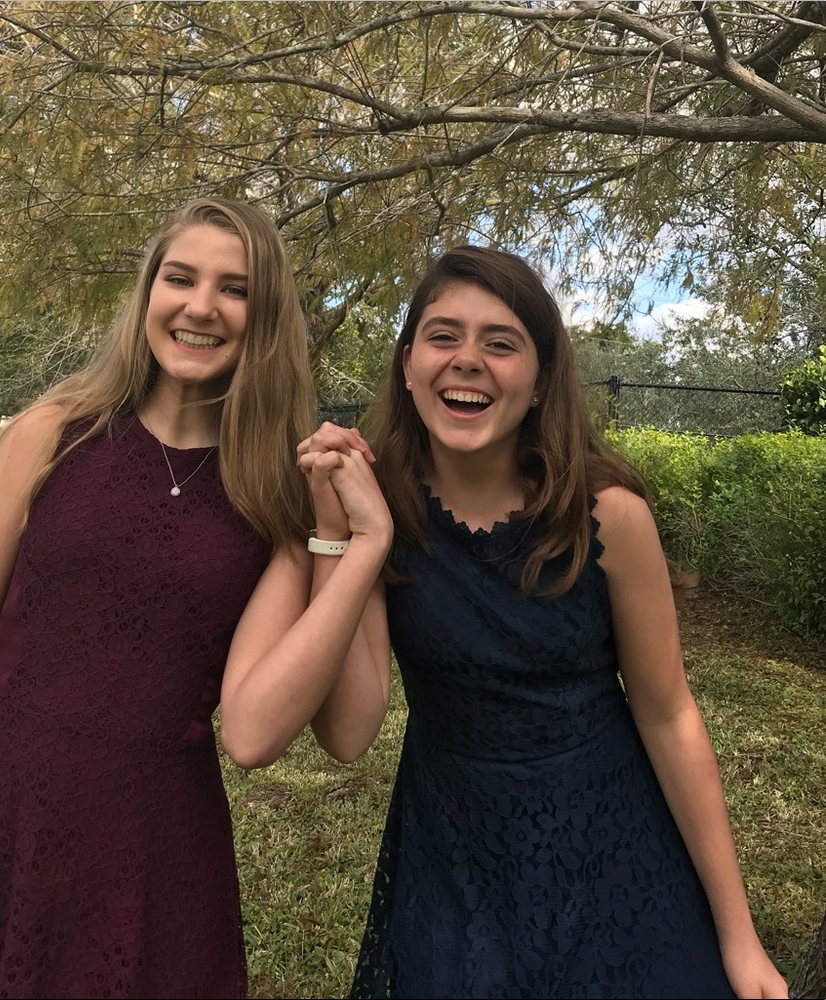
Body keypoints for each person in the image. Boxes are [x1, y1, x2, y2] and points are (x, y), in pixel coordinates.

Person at [0, 197, 392, 1000]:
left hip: (150, 864)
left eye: (233, 289)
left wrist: (352, 543)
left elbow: (268, 732)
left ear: (265, 316)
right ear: (148, 292)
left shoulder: (274, 499)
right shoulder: (53, 435)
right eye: (180, 278)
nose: (200, 306)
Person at [299, 246, 788, 999]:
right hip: (453, 852)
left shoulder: (610, 516)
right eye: (443, 336)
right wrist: (342, 536)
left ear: (541, 380)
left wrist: (740, 936)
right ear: (406, 364)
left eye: (501, 343)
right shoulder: (383, 515)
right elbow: (348, 734)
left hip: (614, 846)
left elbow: (668, 713)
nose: (468, 361)